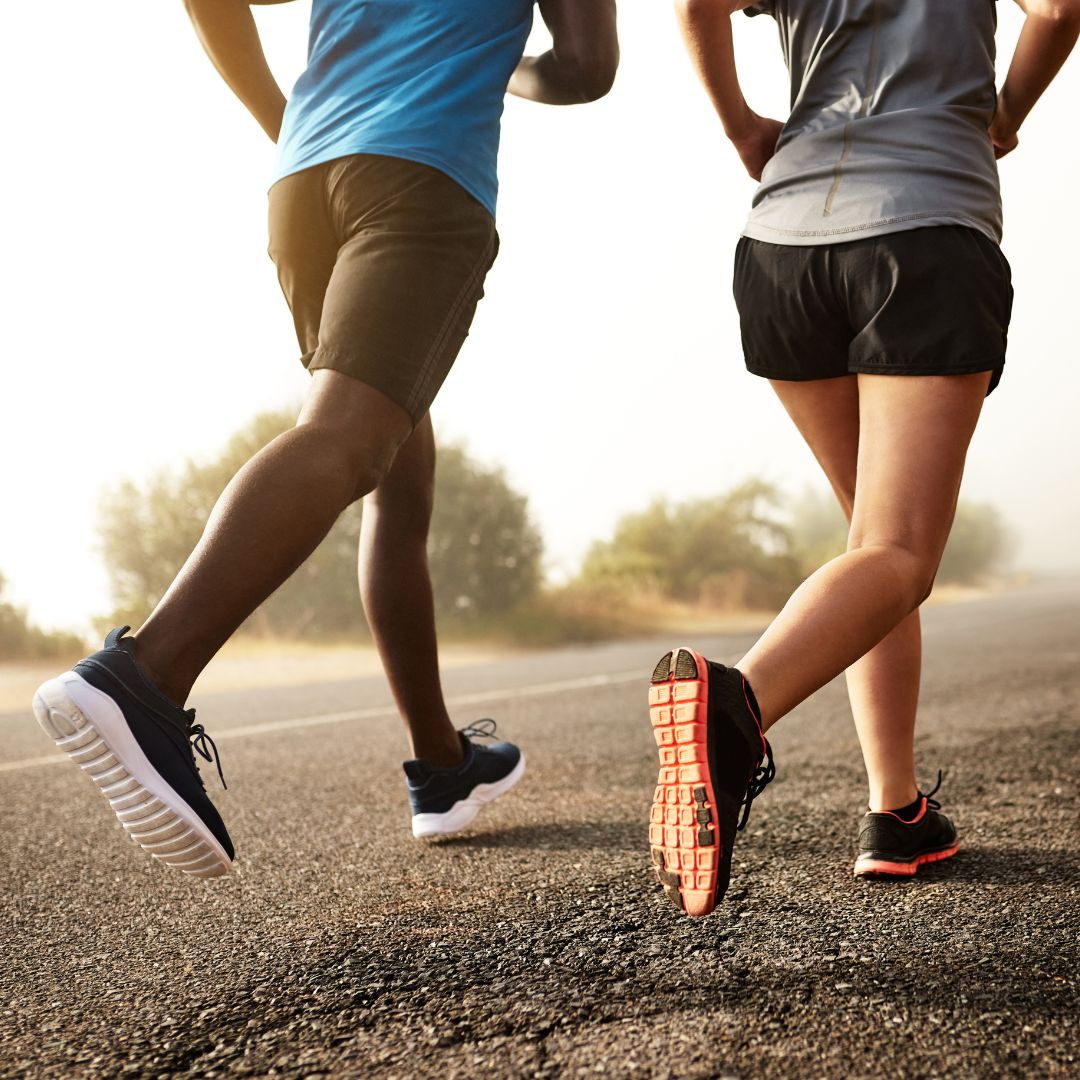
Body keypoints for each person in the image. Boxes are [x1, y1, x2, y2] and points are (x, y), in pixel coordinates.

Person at [32, 0, 619, 878]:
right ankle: (145, 676)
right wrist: (505, 65)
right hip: (422, 173)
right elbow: (585, 67)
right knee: (346, 438)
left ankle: (444, 766)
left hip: (306, 182)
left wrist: (286, 119)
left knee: (398, 471)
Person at [648, 0, 1079, 916]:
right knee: (897, 552)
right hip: (923, 226)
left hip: (785, 247)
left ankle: (895, 810)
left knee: (869, 548)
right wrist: (1009, 109)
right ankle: (735, 711)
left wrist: (741, 125)